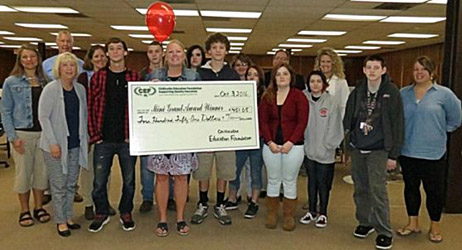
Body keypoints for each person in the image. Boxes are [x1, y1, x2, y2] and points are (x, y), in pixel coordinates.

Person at [397, 56, 462, 243]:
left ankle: (435, 226)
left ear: (432, 72)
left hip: (434, 153)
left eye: (423, 69)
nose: (419, 73)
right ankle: (413, 223)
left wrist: (441, 131)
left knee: (434, 191)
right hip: (408, 150)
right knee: (411, 189)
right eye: (416, 69)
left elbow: (456, 118)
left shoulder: (444, 94)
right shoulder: (404, 93)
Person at [343, 55, 404, 250]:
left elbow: (398, 124)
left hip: (379, 149)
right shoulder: (358, 91)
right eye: (369, 67)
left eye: (376, 68)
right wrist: (347, 146)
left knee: (378, 190)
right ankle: (365, 222)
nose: (372, 71)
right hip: (358, 147)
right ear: (364, 70)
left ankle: (384, 231)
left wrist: (394, 154)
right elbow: (348, 119)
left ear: (383, 70)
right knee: (360, 188)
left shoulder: (391, 92)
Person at [146, 40, 200, 237]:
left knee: (180, 177)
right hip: (159, 136)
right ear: (165, 56)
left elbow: (202, 104)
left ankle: (179, 217)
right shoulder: (154, 76)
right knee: (161, 177)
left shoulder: (194, 77)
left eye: (178, 51)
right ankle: (162, 218)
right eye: (171, 52)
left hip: (184, 136)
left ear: (184, 56)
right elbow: (144, 105)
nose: (174, 55)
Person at [87, 37, 140, 233]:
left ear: (126, 52)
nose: (116, 52)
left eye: (120, 48)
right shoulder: (98, 77)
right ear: (107, 53)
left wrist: (134, 135)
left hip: (127, 139)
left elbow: (141, 109)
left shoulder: (134, 77)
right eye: (112, 49)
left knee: (129, 180)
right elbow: (91, 107)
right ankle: (101, 212)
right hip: (103, 139)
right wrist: (95, 135)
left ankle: (126, 211)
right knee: (99, 181)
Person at [191, 33, 240, 226]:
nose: (218, 50)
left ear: (226, 51)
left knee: (224, 171)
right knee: (202, 171)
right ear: (209, 51)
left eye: (222, 47)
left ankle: (220, 204)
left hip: (226, 133)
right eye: (214, 47)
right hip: (204, 132)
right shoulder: (198, 75)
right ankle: (202, 203)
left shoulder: (233, 75)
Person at [38, 52, 88, 237]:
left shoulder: (80, 89)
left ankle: (68, 217)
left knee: (70, 185)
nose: (69, 69)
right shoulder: (51, 89)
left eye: (72, 65)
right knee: (58, 185)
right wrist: (53, 143)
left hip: (74, 144)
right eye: (65, 65)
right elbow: (43, 117)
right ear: (59, 68)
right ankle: (60, 221)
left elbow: (83, 116)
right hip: (55, 146)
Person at [1, 44, 50, 227]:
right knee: (23, 174)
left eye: (32, 57)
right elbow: (5, 111)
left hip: (43, 134)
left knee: (40, 174)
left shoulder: (46, 81)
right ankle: (24, 210)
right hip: (23, 134)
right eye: (25, 57)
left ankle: (38, 207)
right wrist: (12, 137)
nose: (29, 60)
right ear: (20, 60)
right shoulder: (11, 82)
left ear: (38, 59)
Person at [259, 63, 308, 231]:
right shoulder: (267, 96)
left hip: (294, 146)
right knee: (273, 180)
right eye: (278, 74)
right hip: (271, 145)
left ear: (291, 77)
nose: (281, 77)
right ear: (274, 77)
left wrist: (290, 142)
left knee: (289, 180)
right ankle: (271, 214)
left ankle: (288, 216)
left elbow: (302, 122)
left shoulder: (299, 96)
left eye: (285, 74)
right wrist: (270, 142)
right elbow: (263, 121)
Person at [299, 71, 343, 228]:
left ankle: (323, 213)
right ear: (308, 83)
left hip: (326, 151)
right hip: (309, 149)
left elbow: (336, 126)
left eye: (318, 81)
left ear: (323, 83)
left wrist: (329, 145)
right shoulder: (304, 99)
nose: (315, 84)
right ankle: (311, 210)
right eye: (312, 81)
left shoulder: (331, 102)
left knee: (324, 184)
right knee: (312, 182)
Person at [76, 45, 116, 220]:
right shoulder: (83, 78)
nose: (100, 59)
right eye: (96, 57)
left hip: (105, 130)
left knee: (104, 171)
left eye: (103, 56)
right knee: (88, 169)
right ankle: (88, 204)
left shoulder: (109, 76)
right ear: (90, 59)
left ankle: (103, 202)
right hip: (86, 129)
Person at [226, 65, 265, 219]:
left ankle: (254, 201)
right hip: (240, 139)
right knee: (234, 170)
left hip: (258, 139)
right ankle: (232, 198)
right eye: (249, 75)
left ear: (260, 78)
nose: (252, 77)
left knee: (255, 171)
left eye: (255, 75)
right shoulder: (238, 95)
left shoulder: (266, 97)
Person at [138, 40, 164, 213]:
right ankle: (147, 197)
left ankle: (168, 197)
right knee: (146, 164)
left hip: (166, 125)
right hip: (147, 127)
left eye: (157, 51)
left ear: (162, 53)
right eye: (150, 51)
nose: (154, 54)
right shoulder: (140, 75)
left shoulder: (171, 73)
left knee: (167, 163)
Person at [314, 48, 349, 118]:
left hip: (334, 120)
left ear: (334, 63)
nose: (325, 64)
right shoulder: (314, 80)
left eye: (328, 61)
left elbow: (344, 105)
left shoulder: (341, 82)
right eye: (323, 61)